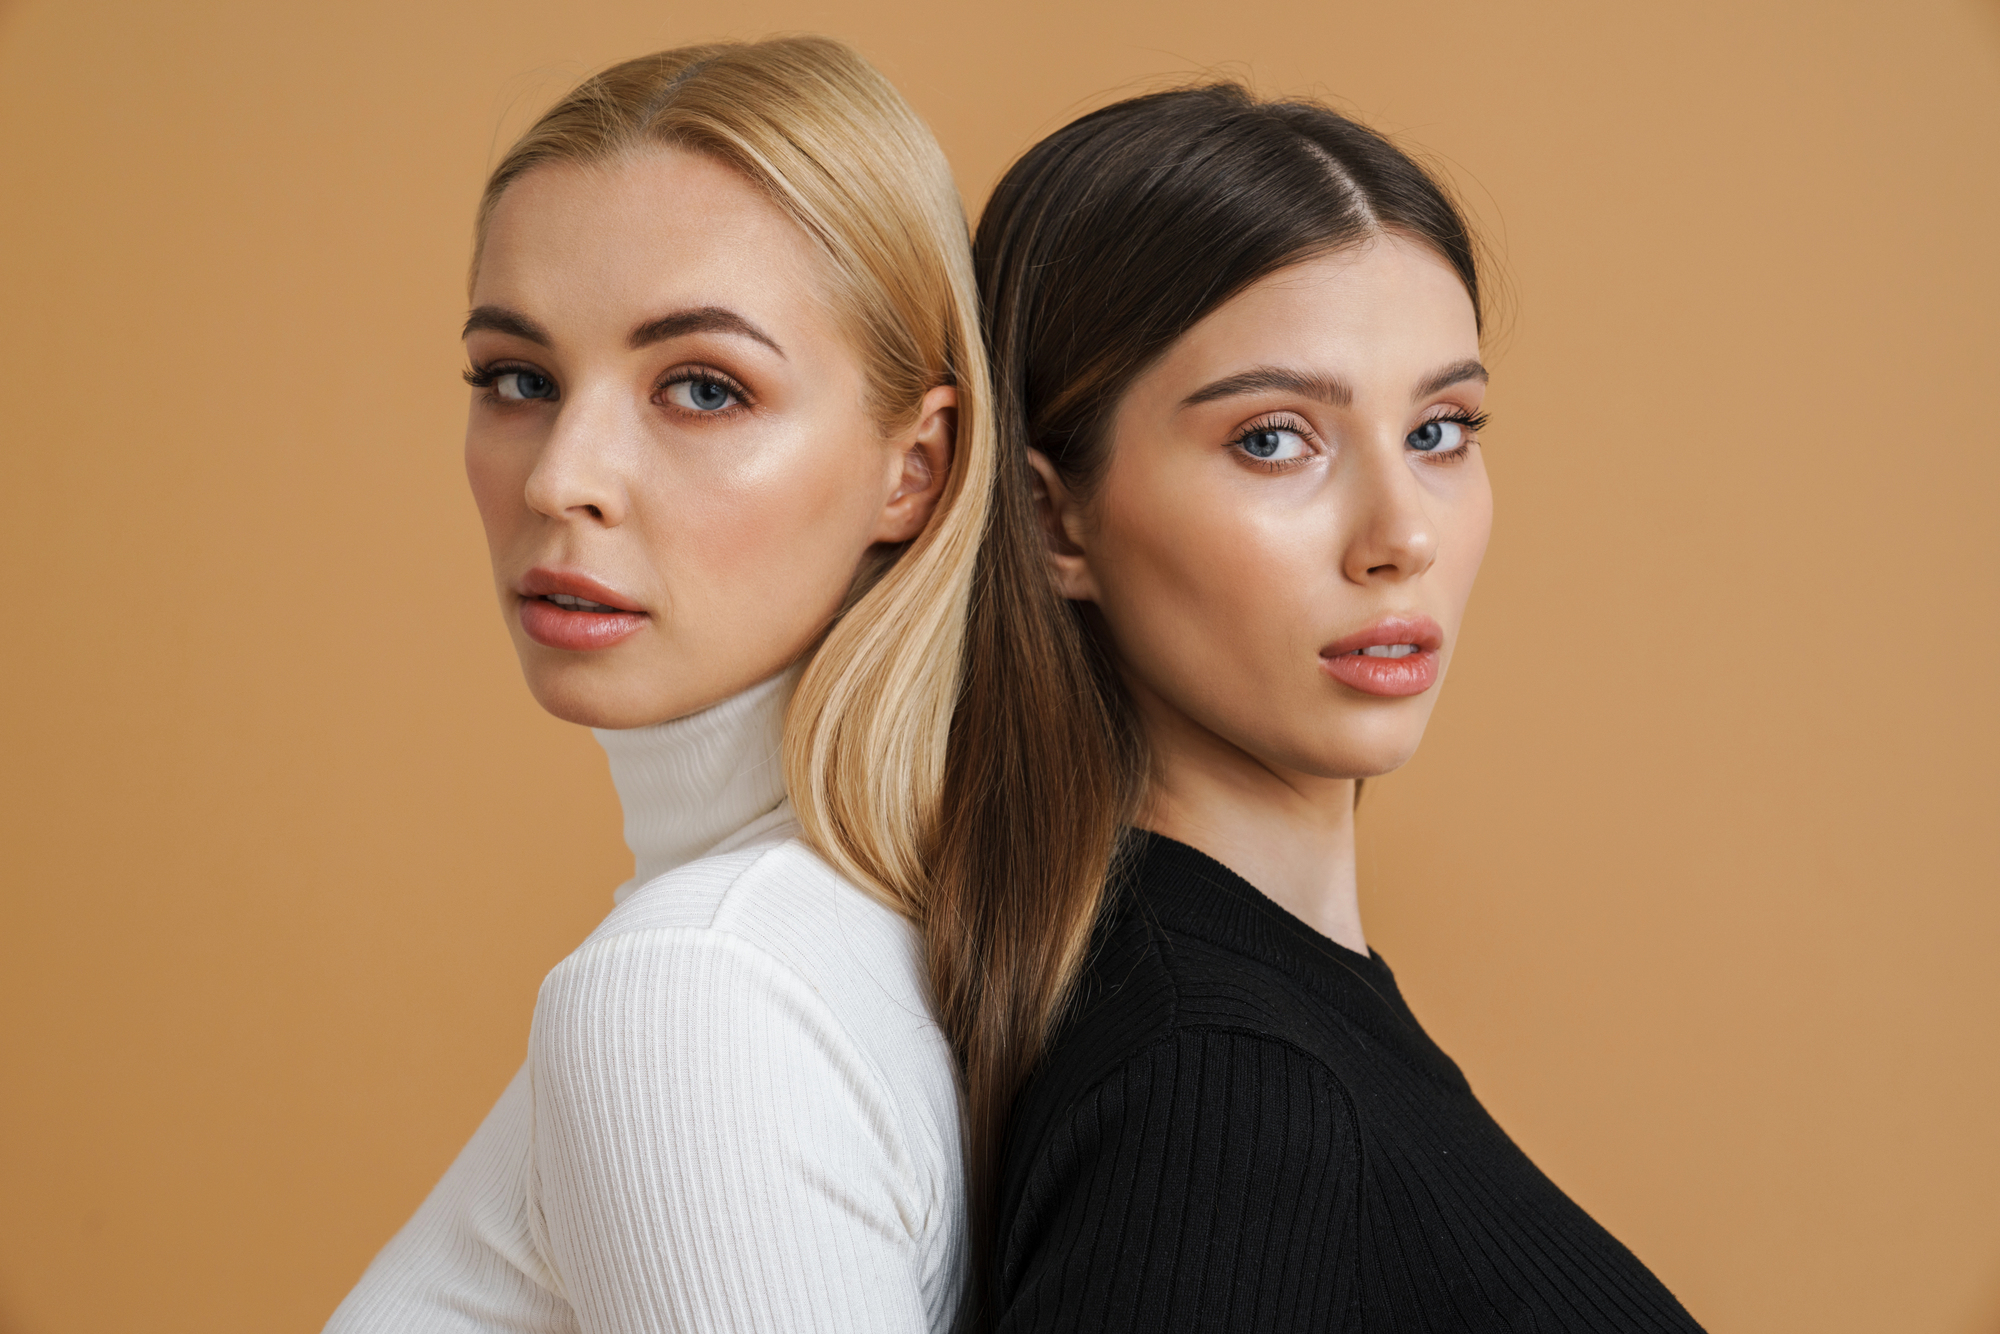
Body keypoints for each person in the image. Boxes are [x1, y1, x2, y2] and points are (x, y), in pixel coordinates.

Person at [962, 85, 1709, 1331]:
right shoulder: (1219, 1087)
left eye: (1439, 428)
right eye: (1272, 438)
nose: (1400, 534)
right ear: (1051, 515)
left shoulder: (1270, 1013)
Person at [327, 37, 994, 1332]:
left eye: (702, 387)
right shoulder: (877, 927)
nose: (559, 475)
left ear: (916, 465)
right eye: (517, 378)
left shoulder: (693, 988)